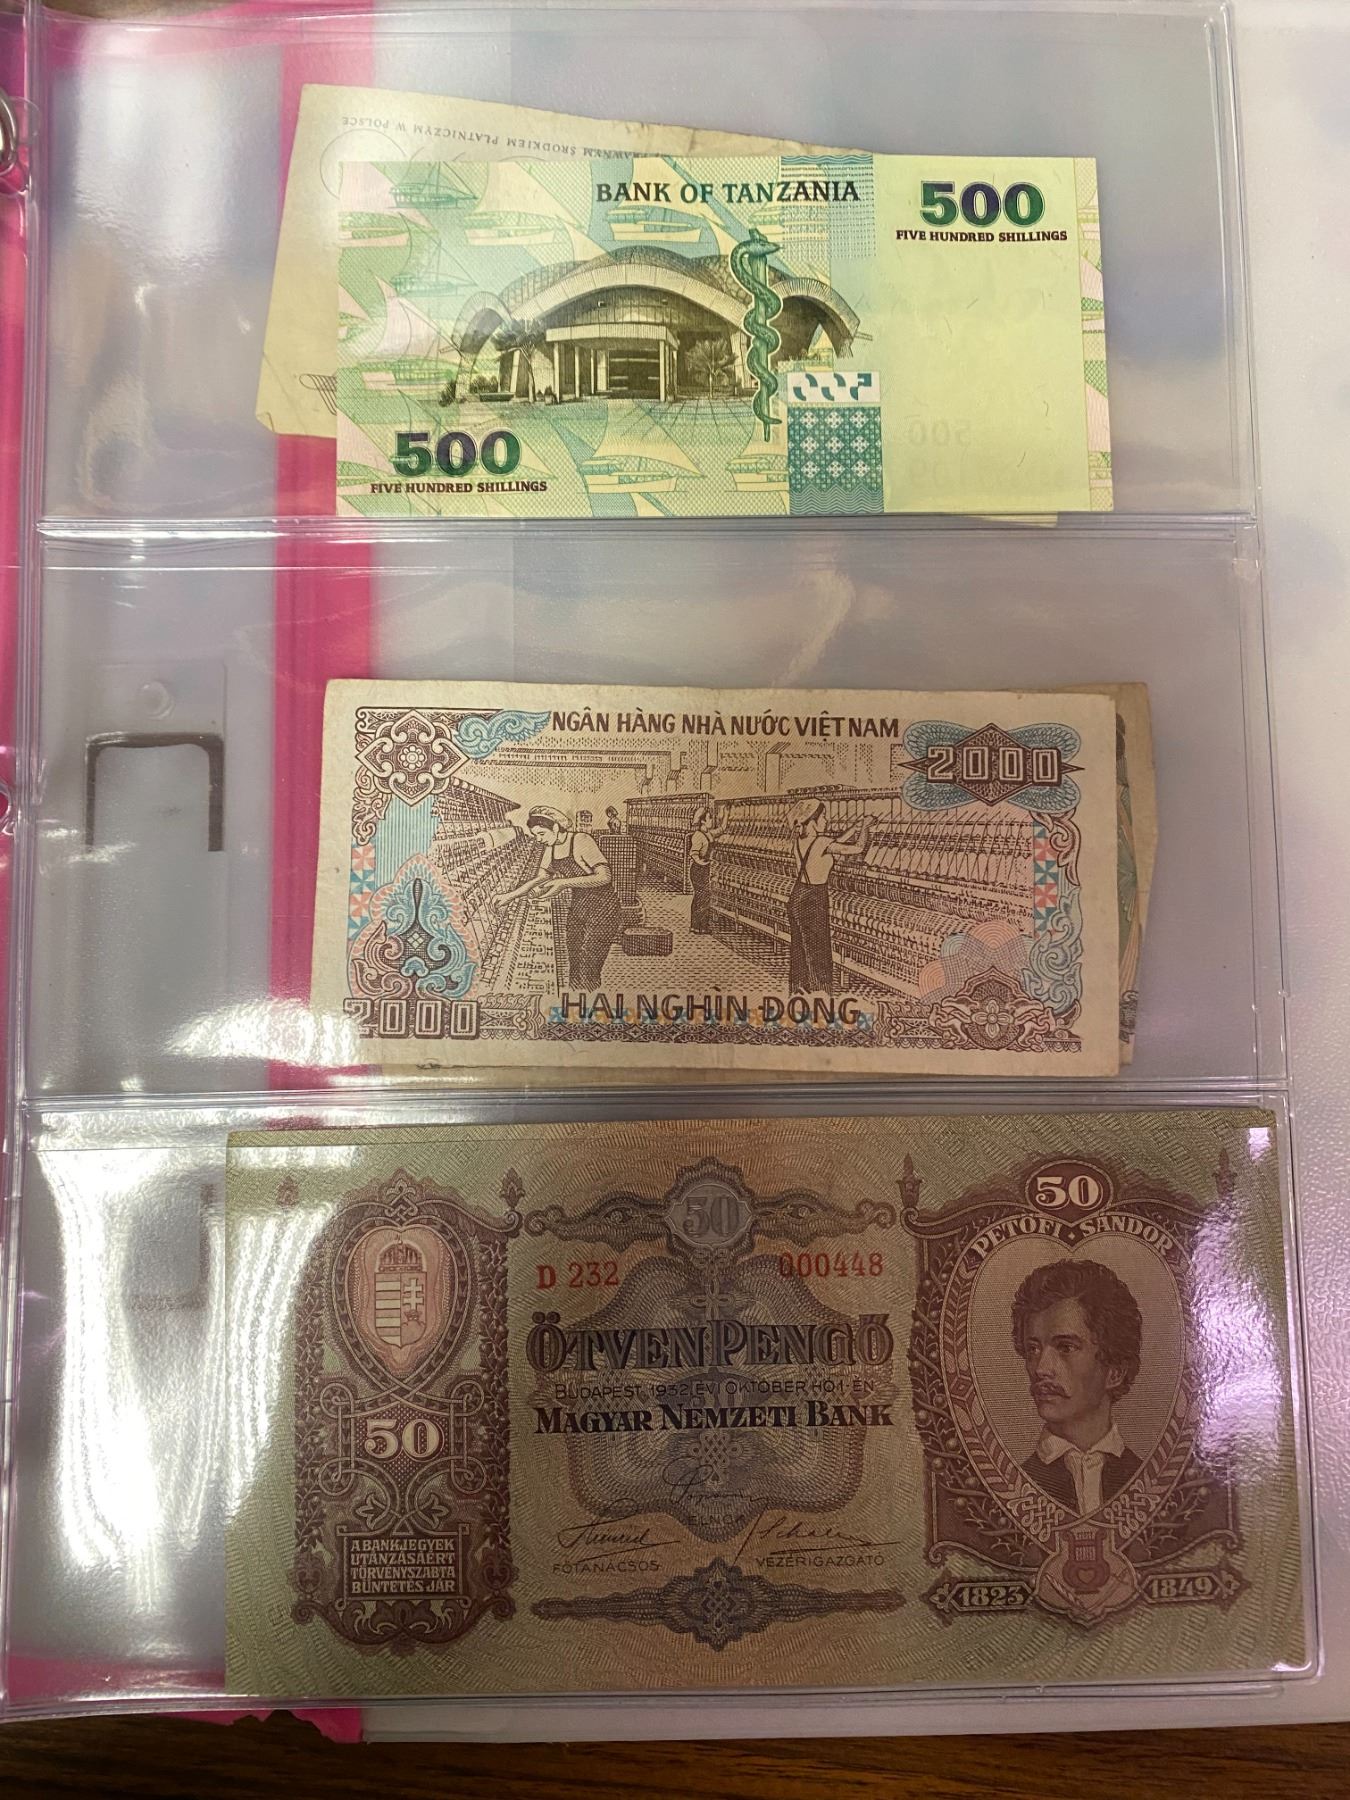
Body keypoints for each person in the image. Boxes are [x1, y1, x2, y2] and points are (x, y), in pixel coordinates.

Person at [1011, 1259, 1143, 1514]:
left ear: (1114, 1371)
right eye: (1033, 1349)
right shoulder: (1010, 1489)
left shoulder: (1150, 1482)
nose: (1041, 1369)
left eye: (1065, 1347)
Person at [493, 806, 622, 989]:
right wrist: (511, 895)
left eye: (541, 834)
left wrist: (562, 883)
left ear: (555, 827)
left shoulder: (581, 840)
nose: (539, 839)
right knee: (574, 959)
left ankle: (589, 996)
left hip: (604, 909)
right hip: (579, 906)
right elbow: (540, 878)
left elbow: (604, 876)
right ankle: (576, 994)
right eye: (535, 835)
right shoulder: (551, 848)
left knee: (589, 963)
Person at [786, 798, 871, 993]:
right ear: (813, 821)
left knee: (799, 949)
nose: (827, 820)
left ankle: (798, 990)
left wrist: (853, 828)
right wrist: (865, 827)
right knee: (818, 949)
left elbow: (834, 842)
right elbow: (857, 848)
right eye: (823, 816)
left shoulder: (800, 841)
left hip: (798, 895)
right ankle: (821, 993)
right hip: (813, 898)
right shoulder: (822, 842)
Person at [687, 801, 724, 935]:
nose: (712, 821)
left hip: (704, 868)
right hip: (698, 869)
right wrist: (703, 863)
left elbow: (721, 829)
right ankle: (698, 926)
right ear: (703, 821)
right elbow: (693, 854)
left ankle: (699, 926)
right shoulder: (698, 835)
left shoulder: (708, 833)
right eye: (709, 818)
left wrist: (726, 814)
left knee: (703, 896)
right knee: (701, 896)